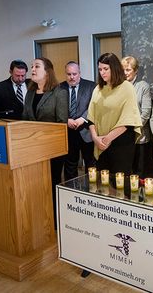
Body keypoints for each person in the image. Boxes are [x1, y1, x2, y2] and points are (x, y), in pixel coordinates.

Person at [22, 57, 68, 226]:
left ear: (47, 72)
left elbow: (62, 123)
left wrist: (41, 137)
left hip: (52, 149)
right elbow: (25, 119)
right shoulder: (30, 92)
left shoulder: (59, 92)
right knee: (35, 185)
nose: (32, 69)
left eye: (36, 66)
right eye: (32, 66)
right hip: (32, 149)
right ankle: (39, 218)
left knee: (51, 183)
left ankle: (55, 221)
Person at [87, 53, 142, 175]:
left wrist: (107, 139)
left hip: (121, 143)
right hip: (100, 142)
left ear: (114, 68)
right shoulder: (98, 89)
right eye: (100, 69)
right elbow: (91, 118)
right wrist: (95, 138)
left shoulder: (126, 87)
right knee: (103, 184)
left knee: (120, 184)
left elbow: (128, 120)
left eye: (106, 69)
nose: (102, 72)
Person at [60, 61, 96, 181]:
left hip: (87, 131)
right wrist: (66, 120)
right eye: (69, 74)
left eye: (74, 74)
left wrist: (83, 118)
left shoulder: (91, 86)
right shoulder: (59, 88)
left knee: (91, 165)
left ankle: (92, 192)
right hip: (68, 132)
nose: (72, 77)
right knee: (70, 165)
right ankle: (71, 190)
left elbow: (94, 106)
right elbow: (57, 108)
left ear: (79, 73)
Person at [121, 56, 153, 179]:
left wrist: (132, 128)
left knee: (139, 173)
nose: (125, 73)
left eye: (128, 70)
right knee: (126, 171)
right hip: (123, 136)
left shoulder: (143, 86)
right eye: (123, 69)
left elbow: (146, 113)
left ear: (136, 70)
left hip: (139, 136)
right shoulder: (119, 86)